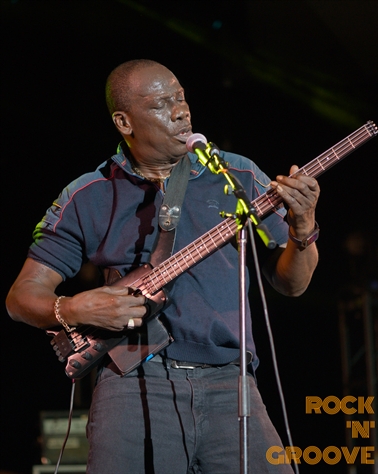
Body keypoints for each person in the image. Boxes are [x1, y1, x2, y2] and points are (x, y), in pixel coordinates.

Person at [6, 59, 320, 473]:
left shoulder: (237, 175)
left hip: (232, 382)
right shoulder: (88, 194)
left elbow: (292, 285)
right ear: (124, 121)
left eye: (181, 97)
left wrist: (304, 228)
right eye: (161, 104)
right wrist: (76, 309)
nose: (180, 111)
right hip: (134, 384)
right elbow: (21, 297)